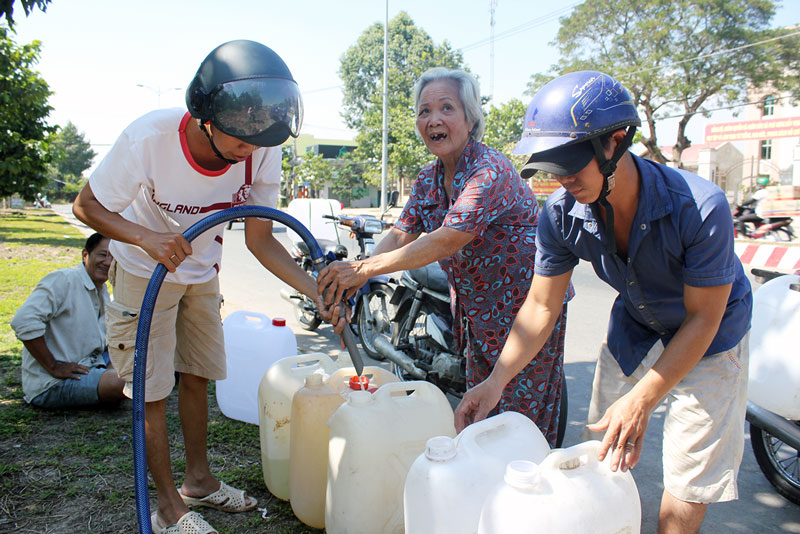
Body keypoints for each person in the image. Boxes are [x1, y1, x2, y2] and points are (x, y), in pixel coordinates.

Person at [455, 71, 752, 534]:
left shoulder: (700, 208)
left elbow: (703, 318)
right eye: (554, 168)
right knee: (600, 454)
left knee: (689, 477)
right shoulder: (559, 214)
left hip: (710, 337)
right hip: (635, 326)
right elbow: (540, 308)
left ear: (615, 142)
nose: (564, 179)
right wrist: (496, 381)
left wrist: (643, 399)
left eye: (572, 165)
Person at [72, 40, 336, 534]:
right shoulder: (147, 139)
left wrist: (314, 290)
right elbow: (86, 206)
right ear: (206, 118)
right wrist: (145, 237)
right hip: (141, 268)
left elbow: (261, 240)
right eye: (241, 141)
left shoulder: (260, 149)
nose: (251, 153)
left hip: (201, 272)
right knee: (151, 390)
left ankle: (199, 481)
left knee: (197, 375)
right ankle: (169, 508)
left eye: (259, 142)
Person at [317, 67, 571, 446]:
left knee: (521, 424)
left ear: (470, 119)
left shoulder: (489, 171)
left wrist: (361, 269)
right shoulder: (427, 179)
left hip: (525, 313)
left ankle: (526, 494)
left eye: (446, 108)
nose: (433, 119)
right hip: (474, 314)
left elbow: (447, 240)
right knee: (481, 411)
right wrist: (357, 280)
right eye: (424, 111)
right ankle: (483, 489)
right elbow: (402, 233)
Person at [11, 232, 124, 409]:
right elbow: (23, 321)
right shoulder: (64, 280)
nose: (108, 263)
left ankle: (112, 375)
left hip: (90, 365)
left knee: (145, 357)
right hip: (52, 383)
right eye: (103, 255)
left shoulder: (101, 291)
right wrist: (53, 366)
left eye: (115, 258)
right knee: (123, 383)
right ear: (85, 255)